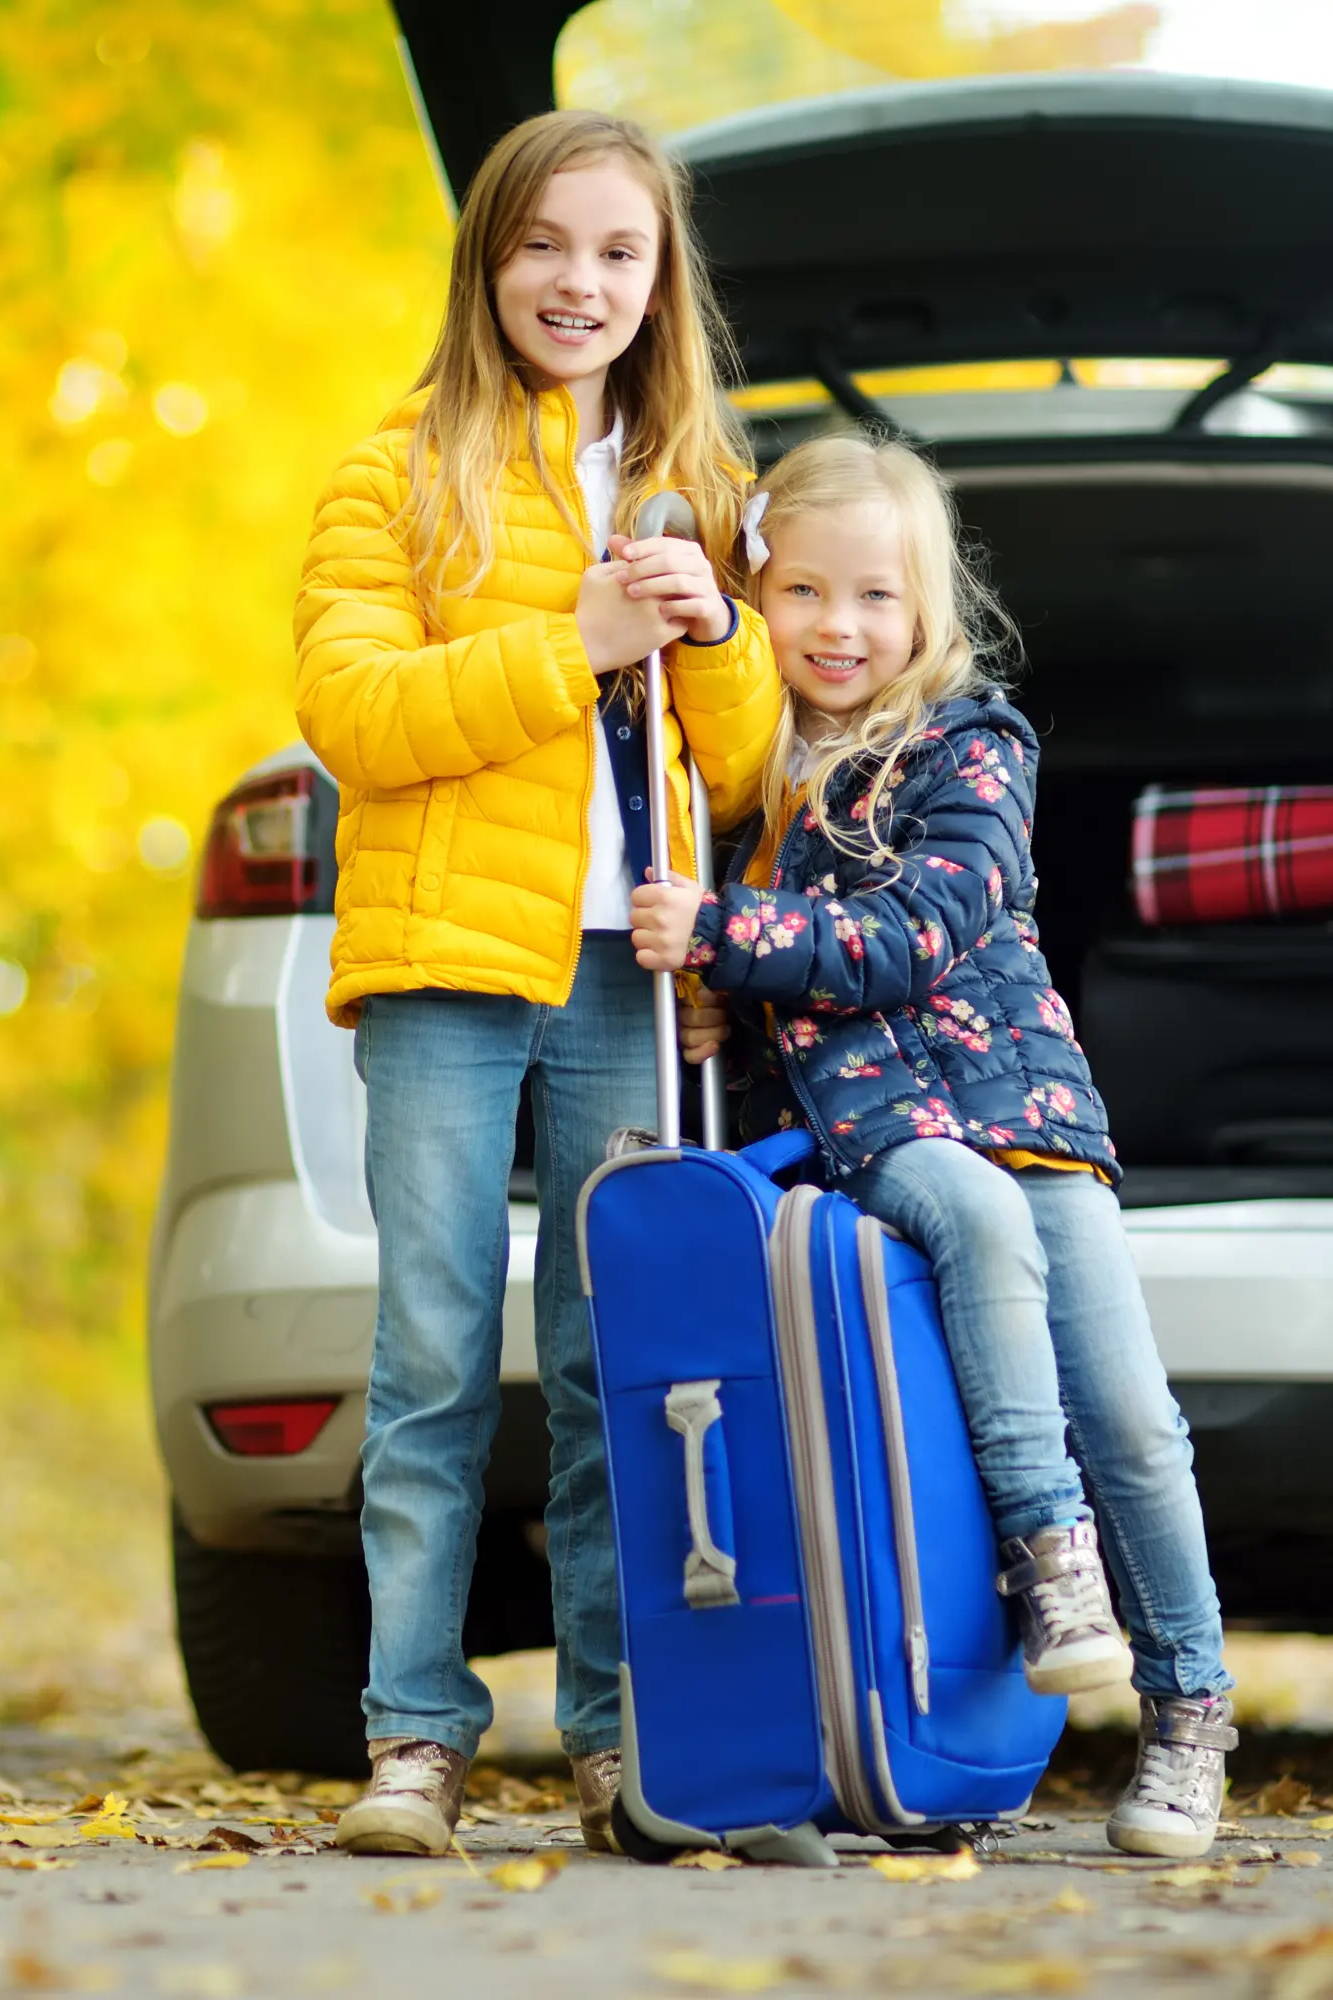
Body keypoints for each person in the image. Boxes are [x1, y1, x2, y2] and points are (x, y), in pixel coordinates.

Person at [629, 433, 1235, 1860]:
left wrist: (729, 937)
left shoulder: (972, 745)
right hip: (886, 1139)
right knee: (966, 1220)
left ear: (930, 616)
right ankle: (1047, 1561)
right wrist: (725, 999)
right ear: (752, 598)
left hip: (1025, 1113)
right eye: (803, 594)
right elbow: (784, 998)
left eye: (876, 600)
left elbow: (912, 935)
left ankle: (1188, 1715)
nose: (838, 629)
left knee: (1137, 1422)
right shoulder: (736, 788)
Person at [294, 108, 780, 1859]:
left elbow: (739, 771)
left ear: (662, 284)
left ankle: (612, 1738)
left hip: (617, 971)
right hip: (440, 956)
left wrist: (711, 639)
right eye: (545, 247)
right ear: (487, 262)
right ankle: (414, 1742)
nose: (580, 281)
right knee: (428, 1352)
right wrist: (564, 641)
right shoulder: (397, 470)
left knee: (614, 1359)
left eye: (618, 253)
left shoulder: (701, 486)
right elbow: (354, 719)